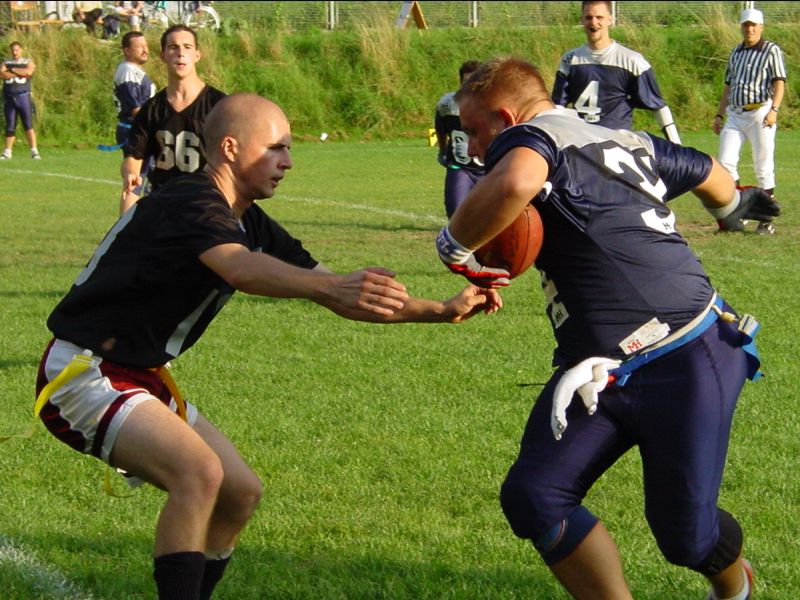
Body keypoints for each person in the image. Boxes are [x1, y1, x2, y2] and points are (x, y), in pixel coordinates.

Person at [36, 92, 502, 600]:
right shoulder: (189, 200)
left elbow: (340, 293)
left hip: (138, 376)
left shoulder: (246, 218)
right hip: (85, 372)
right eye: (276, 147)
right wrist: (332, 287)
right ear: (231, 148)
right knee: (199, 474)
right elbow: (241, 268)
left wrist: (441, 309)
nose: (288, 162)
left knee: (239, 493)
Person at [435, 57, 780, 600]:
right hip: (601, 364)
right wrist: (733, 204)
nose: (474, 149)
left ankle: (736, 587)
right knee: (536, 495)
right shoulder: (628, 140)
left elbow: (519, 178)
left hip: (683, 353)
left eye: (476, 131)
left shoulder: (532, 138)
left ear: (505, 117)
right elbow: (707, 171)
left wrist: (453, 247)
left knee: (686, 538)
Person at [120, 24, 224, 213]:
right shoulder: (151, 109)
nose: (181, 53)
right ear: (163, 56)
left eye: (187, 47)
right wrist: (130, 173)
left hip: (208, 206)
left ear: (197, 55)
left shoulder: (219, 105)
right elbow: (134, 156)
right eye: (173, 47)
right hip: (165, 206)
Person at [552, 0, 681, 144]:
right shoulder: (570, 59)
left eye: (599, 17)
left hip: (617, 143)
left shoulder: (632, 61)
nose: (594, 22)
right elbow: (557, 107)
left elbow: (658, 106)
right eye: (588, 17)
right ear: (581, 20)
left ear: (610, 20)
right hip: (581, 142)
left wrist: (676, 146)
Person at [712, 7, 787, 235]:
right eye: (746, 25)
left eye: (754, 25)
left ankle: (766, 220)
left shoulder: (771, 50)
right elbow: (728, 85)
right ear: (742, 27)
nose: (750, 29)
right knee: (725, 163)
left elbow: (779, 82)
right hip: (735, 114)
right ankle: (738, 211)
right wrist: (719, 114)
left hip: (760, 112)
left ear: (761, 27)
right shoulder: (736, 51)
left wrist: (774, 109)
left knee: (763, 165)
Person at [434, 60, 485, 218]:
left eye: (474, 81)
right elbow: (440, 129)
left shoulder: (495, 103)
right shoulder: (448, 104)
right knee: (455, 211)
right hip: (460, 166)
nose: (470, 86)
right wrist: (443, 150)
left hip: (490, 168)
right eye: (466, 81)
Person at [113, 31, 156, 150]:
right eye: (140, 46)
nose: (145, 50)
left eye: (146, 46)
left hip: (137, 128)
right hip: (134, 129)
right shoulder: (128, 71)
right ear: (127, 51)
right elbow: (134, 107)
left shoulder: (134, 70)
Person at [1, 41, 40, 160]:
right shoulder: (6, 62)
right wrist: (19, 73)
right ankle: (7, 152)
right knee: (10, 125)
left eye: (17, 50)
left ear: (21, 50)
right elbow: (2, 74)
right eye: (13, 50)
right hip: (9, 98)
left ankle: (34, 151)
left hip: (23, 97)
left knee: (28, 124)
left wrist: (12, 70)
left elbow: (29, 71)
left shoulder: (27, 61)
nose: (14, 52)